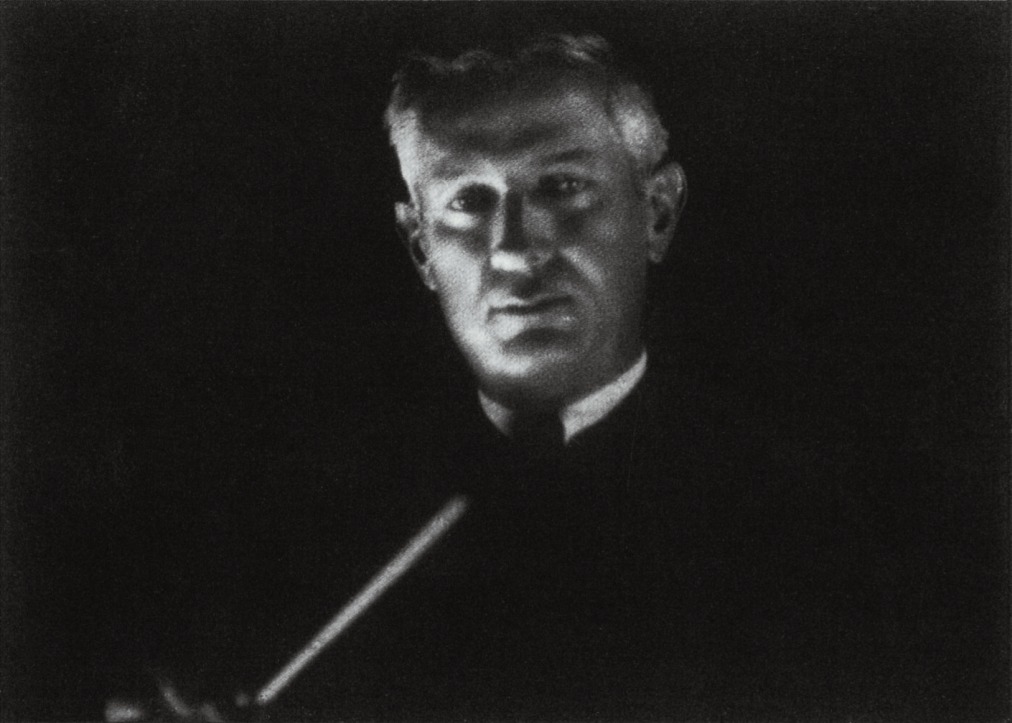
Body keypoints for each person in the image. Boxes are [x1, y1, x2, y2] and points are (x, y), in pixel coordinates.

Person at [99, 33, 1002, 722]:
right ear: (419, 247)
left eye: (562, 187)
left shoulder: (813, 529)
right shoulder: (296, 526)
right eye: (468, 202)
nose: (516, 250)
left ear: (657, 211)